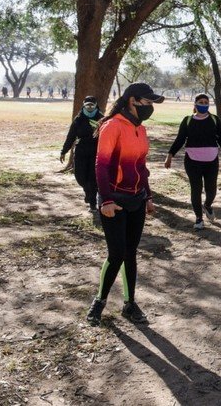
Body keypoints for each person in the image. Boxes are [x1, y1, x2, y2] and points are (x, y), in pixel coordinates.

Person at [86, 82, 164, 327]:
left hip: (137, 199)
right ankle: (99, 302)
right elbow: (101, 165)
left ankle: (129, 304)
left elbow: (142, 166)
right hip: (115, 201)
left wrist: (148, 196)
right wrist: (106, 200)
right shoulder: (113, 126)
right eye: (148, 102)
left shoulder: (140, 129)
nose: (150, 107)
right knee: (117, 253)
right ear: (133, 100)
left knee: (131, 254)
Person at [165, 94, 221, 230]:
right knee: (196, 189)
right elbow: (180, 139)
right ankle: (198, 218)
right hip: (192, 160)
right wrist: (170, 155)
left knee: (211, 190)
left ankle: (207, 205)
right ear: (195, 105)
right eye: (200, 102)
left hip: (211, 160)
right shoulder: (187, 120)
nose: (203, 104)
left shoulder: (214, 120)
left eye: (206, 102)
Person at [61, 95, 105, 212]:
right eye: (87, 105)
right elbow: (71, 136)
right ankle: (87, 192)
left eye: (92, 104)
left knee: (93, 178)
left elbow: (107, 137)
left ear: (96, 105)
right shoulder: (78, 119)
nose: (90, 107)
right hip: (80, 151)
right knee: (80, 177)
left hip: (95, 152)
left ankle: (92, 202)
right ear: (84, 105)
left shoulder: (102, 119)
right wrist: (64, 151)